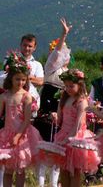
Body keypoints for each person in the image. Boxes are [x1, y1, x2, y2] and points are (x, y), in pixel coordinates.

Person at [44, 69, 100, 187]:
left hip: (76, 137)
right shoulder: (64, 99)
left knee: (74, 171)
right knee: (63, 169)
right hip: (64, 133)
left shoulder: (81, 101)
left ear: (79, 85)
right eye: (66, 86)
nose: (68, 89)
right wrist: (54, 116)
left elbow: (79, 123)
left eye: (71, 86)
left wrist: (69, 139)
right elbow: (60, 120)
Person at [35, 18, 71, 187]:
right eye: (64, 53)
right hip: (47, 113)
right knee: (44, 151)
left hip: (61, 113)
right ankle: (42, 185)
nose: (65, 56)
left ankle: (55, 184)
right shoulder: (50, 68)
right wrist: (63, 36)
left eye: (67, 54)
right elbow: (56, 53)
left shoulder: (68, 73)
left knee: (58, 152)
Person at [0, 52, 42, 187]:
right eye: (18, 79)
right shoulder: (5, 96)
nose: (21, 82)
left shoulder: (26, 97)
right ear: (11, 78)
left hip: (23, 134)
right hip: (7, 134)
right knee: (7, 169)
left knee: (20, 169)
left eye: (23, 80)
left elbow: (27, 119)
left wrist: (18, 136)